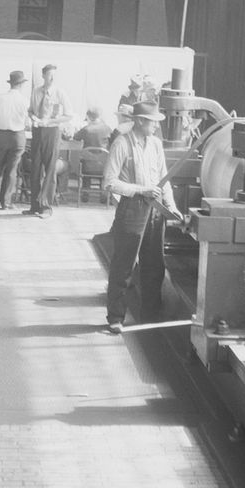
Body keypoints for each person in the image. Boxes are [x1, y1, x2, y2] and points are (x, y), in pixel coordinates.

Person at [102, 102, 181, 333]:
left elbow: (163, 179)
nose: (156, 125)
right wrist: (140, 190)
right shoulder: (121, 143)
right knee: (123, 266)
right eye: (153, 121)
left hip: (156, 212)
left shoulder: (156, 144)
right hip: (132, 210)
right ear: (139, 121)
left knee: (154, 266)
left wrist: (172, 207)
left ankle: (151, 317)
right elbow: (109, 182)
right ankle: (116, 318)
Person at [24, 63, 73, 219]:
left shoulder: (60, 93)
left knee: (50, 169)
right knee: (35, 168)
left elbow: (69, 115)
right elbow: (31, 110)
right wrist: (34, 117)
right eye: (49, 75)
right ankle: (34, 205)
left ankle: (46, 207)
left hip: (52, 132)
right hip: (37, 131)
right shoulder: (36, 91)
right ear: (43, 76)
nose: (52, 78)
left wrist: (52, 122)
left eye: (54, 76)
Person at [0, 70, 30, 210]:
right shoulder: (24, 100)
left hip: (1, 135)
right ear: (21, 84)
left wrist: (1, 125)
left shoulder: (0, 97)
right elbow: (27, 122)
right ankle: (6, 202)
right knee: (11, 169)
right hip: (17, 137)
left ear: (11, 83)